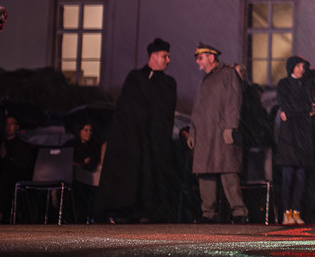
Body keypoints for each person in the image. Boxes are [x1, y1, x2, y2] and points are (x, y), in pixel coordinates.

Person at [94, 37, 177, 223]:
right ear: (153, 56)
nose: (168, 60)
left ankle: (150, 209)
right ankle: (127, 209)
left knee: (152, 176)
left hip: (155, 141)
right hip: (135, 140)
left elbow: (165, 113)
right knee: (133, 175)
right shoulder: (135, 78)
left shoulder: (168, 83)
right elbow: (127, 110)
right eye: (165, 56)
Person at [190, 43, 249, 223]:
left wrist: (230, 127)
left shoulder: (228, 74)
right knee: (205, 173)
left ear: (211, 56)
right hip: (205, 134)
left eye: (200, 58)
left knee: (228, 172)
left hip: (221, 132)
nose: (198, 63)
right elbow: (198, 109)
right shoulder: (206, 79)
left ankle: (239, 212)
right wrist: (193, 132)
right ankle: (208, 213)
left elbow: (234, 101)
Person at [275, 56, 315, 225]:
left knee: (301, 178)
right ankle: (286, 212)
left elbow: (311, 107)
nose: (301, 69)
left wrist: (295, 111)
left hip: (303, 138)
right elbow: (286, 105)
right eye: (298, 66)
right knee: (288, 177)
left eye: (303, 66)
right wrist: (303, 110)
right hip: (289, 139)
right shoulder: (284, 84)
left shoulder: (307, 84)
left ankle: (296, 211)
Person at [0, 115, 36, 222]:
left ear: (17, 126)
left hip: (17, 176)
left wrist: (8, 158)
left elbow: (25, 165)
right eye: (7, 124)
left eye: (12, 124)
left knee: (5, 179)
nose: (8, 127)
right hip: (0, 175)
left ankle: (1, 212)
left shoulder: (22, 145)